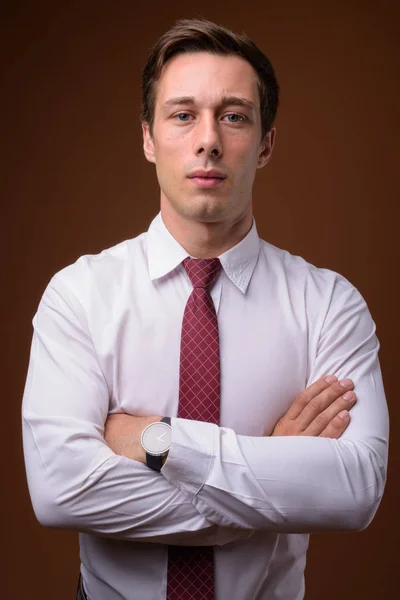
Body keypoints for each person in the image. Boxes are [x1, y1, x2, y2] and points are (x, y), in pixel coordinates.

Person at [22, 17, 389, 600]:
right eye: (183, 114)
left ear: (265, 143)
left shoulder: (330, 304)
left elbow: (356, 489)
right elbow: (59, 491)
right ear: (148, 137)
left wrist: (160, 442)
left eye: (235, 116)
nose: (209, 140)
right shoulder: (78, 295)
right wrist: (275, 475)